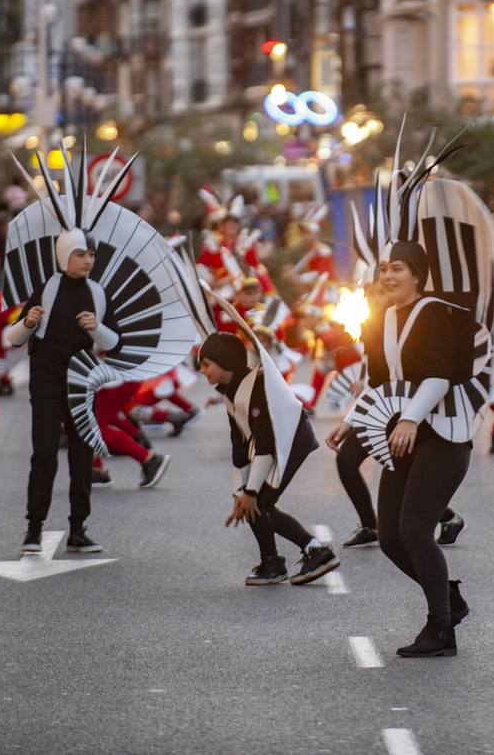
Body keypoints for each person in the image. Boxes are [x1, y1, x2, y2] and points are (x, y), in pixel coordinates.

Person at [326, 240, 476, 657]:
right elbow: (377, 382)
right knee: (391, 537)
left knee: (414, 529)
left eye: (398, 269)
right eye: (384, 269)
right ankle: (450, 598)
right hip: (399, 438)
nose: (388, 276)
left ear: (417, 275)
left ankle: (442, 628)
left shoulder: (438, 314)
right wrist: (351, 420)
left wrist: (411, 416)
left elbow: (441, 373)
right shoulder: (381, 320)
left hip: (443, 435)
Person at [5, 230, 121, 555]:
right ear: (64, 255)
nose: (87, 261)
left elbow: (115, 342)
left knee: (82, 456)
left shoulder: (97, 292)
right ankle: (33, 530)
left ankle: (78, 529)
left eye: (92, 255)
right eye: (81, 254)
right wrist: (28, 322)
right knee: (44, 454)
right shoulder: (48, 288)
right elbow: (12, 337)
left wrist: (95, 327)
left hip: (81, 381)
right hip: (45, 379)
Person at [199, 331, 340, 586]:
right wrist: (239, 493)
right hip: (274, 444)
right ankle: (284, 558)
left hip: (292, 441)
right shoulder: (230, 389)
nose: (202, 371)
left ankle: (304, 554)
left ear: (224, 360)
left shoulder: (257, 385)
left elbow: (266, 446)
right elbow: (239, 445)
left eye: (206, 364)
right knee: (254, 503)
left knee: (259, 502)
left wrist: (249, 492)